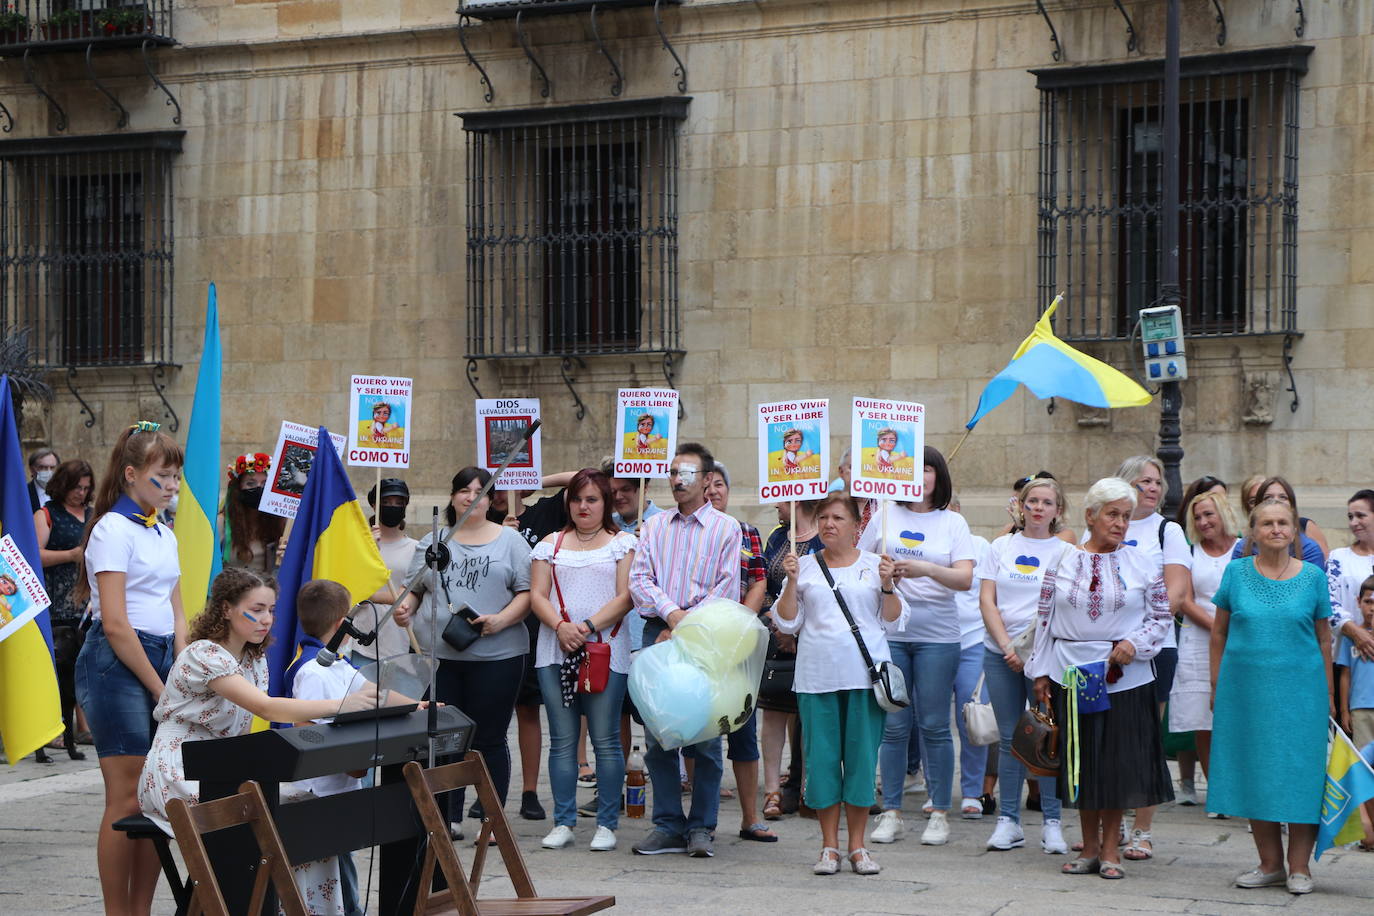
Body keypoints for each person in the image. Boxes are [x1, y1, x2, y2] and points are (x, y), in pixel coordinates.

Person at [138, 569, 380, 915]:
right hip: (178, 767)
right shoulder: (204, 654)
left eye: (271, 610)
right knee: (257, 817)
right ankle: (252, 905)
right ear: (226, 609)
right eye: (258, 609)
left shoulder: (254, 659)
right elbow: (265, 707)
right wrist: (340, 707)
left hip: (225, 766)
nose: (267, 619)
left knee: (306, 808)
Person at [1029, 477, 1174, 880]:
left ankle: (1112, 849)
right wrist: (1040, 670)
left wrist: (1134, 642)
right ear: (1090, 515)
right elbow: (1045, 619)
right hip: (1070, 673)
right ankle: (1089, 848)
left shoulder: (1142, 562)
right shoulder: (1061, 560)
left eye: (1126, 516)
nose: (1120, 523)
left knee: (1116, 764)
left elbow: (1161, 617)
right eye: (1112, 514)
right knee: (1081, 761)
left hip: (1123, 675)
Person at [72, 422, 186, 915]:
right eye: (165, 476)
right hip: (115, 663)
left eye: (178, 478)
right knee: (126, 797)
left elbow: (178, 611)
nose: (173, 486)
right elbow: (115, 624)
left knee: (157, 796)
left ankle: (141, 909)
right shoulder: (111, 529)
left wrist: (182, 672)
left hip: (160, 658)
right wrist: (161, 686)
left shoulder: (164, 531)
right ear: (132, 474)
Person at [775, 492, 906, 875]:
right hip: (817, 679)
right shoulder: (806, 566)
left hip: (865, 680)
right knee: (823, 762)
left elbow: (894, 619)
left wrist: (887, 585)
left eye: (839, 518)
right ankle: (829, 846)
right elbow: (786, 622)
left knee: (862, 762)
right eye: (824, 518)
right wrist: (789, 582)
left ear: (855, 525)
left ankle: (858, 846)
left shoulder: (874, 565)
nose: (830, 524)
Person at [396, 467, 532, 835]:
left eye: (481, 491)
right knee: (443, 739)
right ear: (453, 496)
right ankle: (449, 817)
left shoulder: (511, 542)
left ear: (492, 499)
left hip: (498, 656)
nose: (472, 497)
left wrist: (501, 621)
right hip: (440, 658)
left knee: (489, 738)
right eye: (464, 490)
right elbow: (414, 588)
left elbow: (527, 592)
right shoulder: (433, 541)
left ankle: (493, 819)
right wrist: (405, 606)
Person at [1208, 498, 1333, 895]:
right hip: (1244, 692)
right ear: (1253, 531)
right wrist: (1216, 684)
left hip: (1302, 693)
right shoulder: (1236, 572)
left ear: (1294, 531)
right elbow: (1219, 633)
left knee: (1301, 775)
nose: (1276, 529)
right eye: (1267, 523)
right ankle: (1269, 864)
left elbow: (1324, 638)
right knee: (1254, 770)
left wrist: (1328, 694)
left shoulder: (1313, 576)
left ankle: (1300, 868)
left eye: (1283, 523)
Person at [628, 442, 742, 858]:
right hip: (658, 629)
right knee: (660, 732)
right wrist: (672, 616)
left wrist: (685, 625)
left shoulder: (726, 529)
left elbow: (727, 588)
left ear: (708, 480)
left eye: (687, 473)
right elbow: (640, 580)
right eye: (673, 472)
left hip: (706, 634)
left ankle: (702, 826)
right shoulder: (654, 527)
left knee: (707, 735)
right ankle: (668, 823)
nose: (677, 480)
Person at [858, 445, 975, 847]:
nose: (922, 477)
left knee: (935, 725)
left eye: (929, 470)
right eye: (916, 469)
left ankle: (939, 811)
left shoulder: (952, 523)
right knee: (893, 725)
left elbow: (964, 580)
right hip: (892, 633)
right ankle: (890, 811)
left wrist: (924, 569)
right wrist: (883, 572)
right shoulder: (884, 514)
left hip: (939, 635)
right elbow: (860, 564)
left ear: (939, 477)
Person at [528, 468, 635, 851]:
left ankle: (607, 822)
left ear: (605, 502)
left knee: (606, 739)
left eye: (592, 499)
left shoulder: (623, 543)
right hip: (556, 649)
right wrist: (560, 626)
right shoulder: (550, 544)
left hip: (605, 650)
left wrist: (586, 626)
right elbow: (537, 594)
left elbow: (626, 597)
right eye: (577, 498)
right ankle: (563, 820)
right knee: (562, 739)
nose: (583, 506)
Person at [977, 476, 1070, 854]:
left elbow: (1065, 607)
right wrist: (1006, 647)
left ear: (1057, 511)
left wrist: (1034, 654)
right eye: (1032, 501)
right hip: (1000, 653)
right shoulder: (1001, 546)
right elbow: (987, 600)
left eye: (1046, 502)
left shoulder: (1067, 552)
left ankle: (1051, 822)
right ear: (1021, 505)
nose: (1037, 508)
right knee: (1010, 736)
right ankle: (1009, 821)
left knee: (1046, 737)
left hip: (1045, 658)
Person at [1108, 455, 1190, 863]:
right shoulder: (1108, 525)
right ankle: (1112, 825)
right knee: (1108, 738)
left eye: (1158, 481)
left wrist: (1138, 639)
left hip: (1154, 649)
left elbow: (1175, 594)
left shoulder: (1167, 530)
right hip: (1104, 650)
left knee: (1144, 737)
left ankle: (1142, 829)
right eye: (1145, 481)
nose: (1155, 488)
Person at [285, 579, 378, 916]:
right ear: (343, 624)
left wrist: (419, 705)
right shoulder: (313, 671)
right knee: (337, 863)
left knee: (344, 856)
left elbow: (372, 692)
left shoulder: (338, 664)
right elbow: (306, 730)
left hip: (344, 785)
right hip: (320, 789)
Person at [703, 463, 777, 843]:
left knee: (743, 729)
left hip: (737, 643)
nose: (714, 490)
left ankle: (750, 817)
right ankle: (704, 818)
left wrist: (737, 623)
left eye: (720, 484)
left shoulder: (746, 531)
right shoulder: (686, 533)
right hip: (699, 641)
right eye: (708, 484)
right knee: (702, 730)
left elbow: (758, 580)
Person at [1168, 489, 1240, 801]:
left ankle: (1241, 789)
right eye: (1197, 517)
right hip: (1199, 638)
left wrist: (1229, 631)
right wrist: (1217, 628)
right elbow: (1183, 598)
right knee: (1203, 718)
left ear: (1223, 513)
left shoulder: (1243, 549)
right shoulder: (1190, 551)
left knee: (1240, 716)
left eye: (1209, 514)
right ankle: (1217, 793)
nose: (1203, 521)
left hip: (1241, 638)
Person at [762, 499, 823, 817]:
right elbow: (764, 582)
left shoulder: (823, 538)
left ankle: (806, 788)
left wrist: (799, 632)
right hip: (777, 636)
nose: (775, 504)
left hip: (813, 639)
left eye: (781, 500)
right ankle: (771, 791)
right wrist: (777, 624)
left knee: (810, 716)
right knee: (773, 714)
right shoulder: (777, 536)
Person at [33, 458, 95, 764]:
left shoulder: (94, 515)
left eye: (85, 488)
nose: (80, 494)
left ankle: (82, 726)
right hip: (57, 603)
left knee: (81, 669)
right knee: (57, 673)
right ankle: (53, 729)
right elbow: (35, 555)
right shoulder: (47, 515)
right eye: (75, 487)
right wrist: (70, 555)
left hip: (87, 605)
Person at [349, 478, 414, 669]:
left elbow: (414, 594)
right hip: (363, 642)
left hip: (402, 642)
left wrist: (375, 596)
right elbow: (352, 589)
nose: (392, 507)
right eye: (386, 502)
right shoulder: (359, 547)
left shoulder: (417, 549)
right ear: (373, 505)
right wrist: (369, 550)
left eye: (398, 503)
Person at [1325, 489, 1374, 662]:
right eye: (1350, 517)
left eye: (1360, 516)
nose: (1354, 522)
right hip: (1347, 656)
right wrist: (1355, 631)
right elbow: (1328, 602)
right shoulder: (1338, 558)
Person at [1235, 476, 1327, 567]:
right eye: (1268, 498)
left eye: (1283, 497)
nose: (1276, 501)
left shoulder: (1309, 549)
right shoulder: (1242, 549)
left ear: (1292, 505)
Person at [221, 452, 285, 574]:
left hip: (268, 589)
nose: (258, 488)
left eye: (265, 484)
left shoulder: (282, 524)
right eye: (251, 483)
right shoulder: (222, 523)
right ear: (238, 488)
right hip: (232, 590)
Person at [27, 447, 58, 512]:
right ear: (32, 469)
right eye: (43, 467)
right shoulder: (24, 493)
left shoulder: (65, 493)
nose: (49, 472)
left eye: (52, 468)